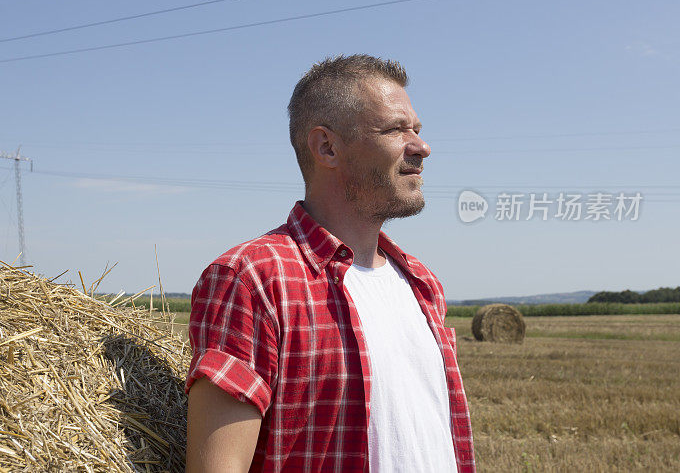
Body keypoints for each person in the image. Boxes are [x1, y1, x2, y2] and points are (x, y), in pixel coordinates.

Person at [185, 54, 475, 472]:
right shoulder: (253, 279)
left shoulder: (421, 282)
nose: (422, 146)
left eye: (417, 129)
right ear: (327, 147)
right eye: (396, 129)